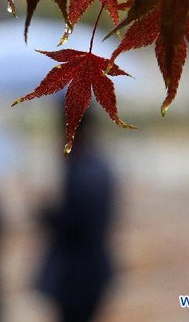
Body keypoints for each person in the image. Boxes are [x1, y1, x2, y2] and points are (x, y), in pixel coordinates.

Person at [36, 109, 117, 322]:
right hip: (92, 271)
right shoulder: (98, 165)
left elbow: (74, 223)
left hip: (77, 277)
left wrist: (43, 212)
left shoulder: (81, 172)